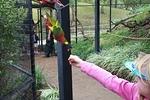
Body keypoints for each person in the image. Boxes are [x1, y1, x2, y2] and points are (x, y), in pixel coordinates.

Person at [68, 53, 150, 100]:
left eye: (140, 78)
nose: (135, 80)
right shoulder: (134, 91)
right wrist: (82, 64)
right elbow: (109, 80)